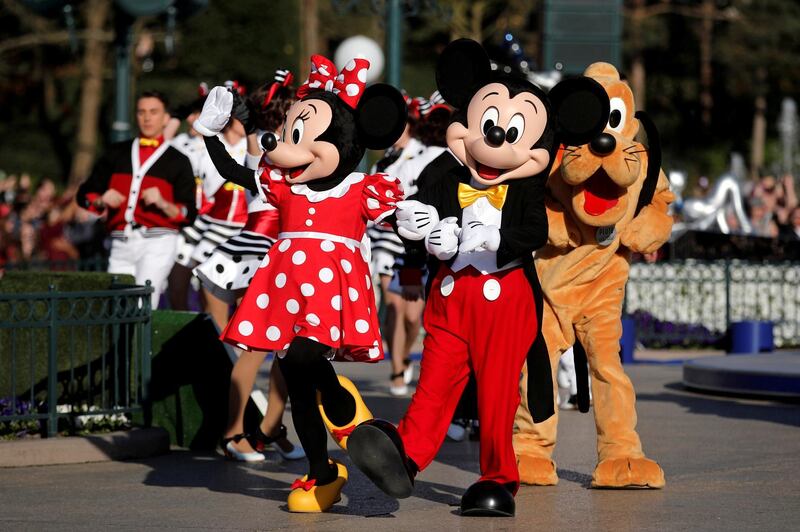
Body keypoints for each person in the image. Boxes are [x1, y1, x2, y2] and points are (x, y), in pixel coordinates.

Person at [193, 54, 408, 512]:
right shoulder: (283, 183)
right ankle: (322, 471)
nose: (284, 145)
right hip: (287, 287)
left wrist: (431, 224)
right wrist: (211, 132)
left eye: (302, 134)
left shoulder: (360, 187)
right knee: (293, 375)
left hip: (331, 291)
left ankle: (342, 406)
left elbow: (401, 219)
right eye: (292, 132)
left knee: (307, 357)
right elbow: (234, 172)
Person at [194, 70, 303, 462]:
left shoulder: (292, 146)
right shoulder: (266, 143)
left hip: (290, 253)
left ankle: (269, 428)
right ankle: (234, 433)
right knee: (256, 348)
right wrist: (247, 118)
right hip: (262, 249)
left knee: (287, 352)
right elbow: (254, 151)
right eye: (297, 110)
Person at [77, 91, 196, 307]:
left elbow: (189, 213)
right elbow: (85, 194)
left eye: (153, 112)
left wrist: (163, 203)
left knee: (142, 303)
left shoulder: (178, 160)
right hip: (120, 241)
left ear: (166, 118)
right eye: (141, 112)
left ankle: (140, 341)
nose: (147, 118)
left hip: (158, 241)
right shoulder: (116, 153)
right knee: (116, 306)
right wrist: (101, 201)